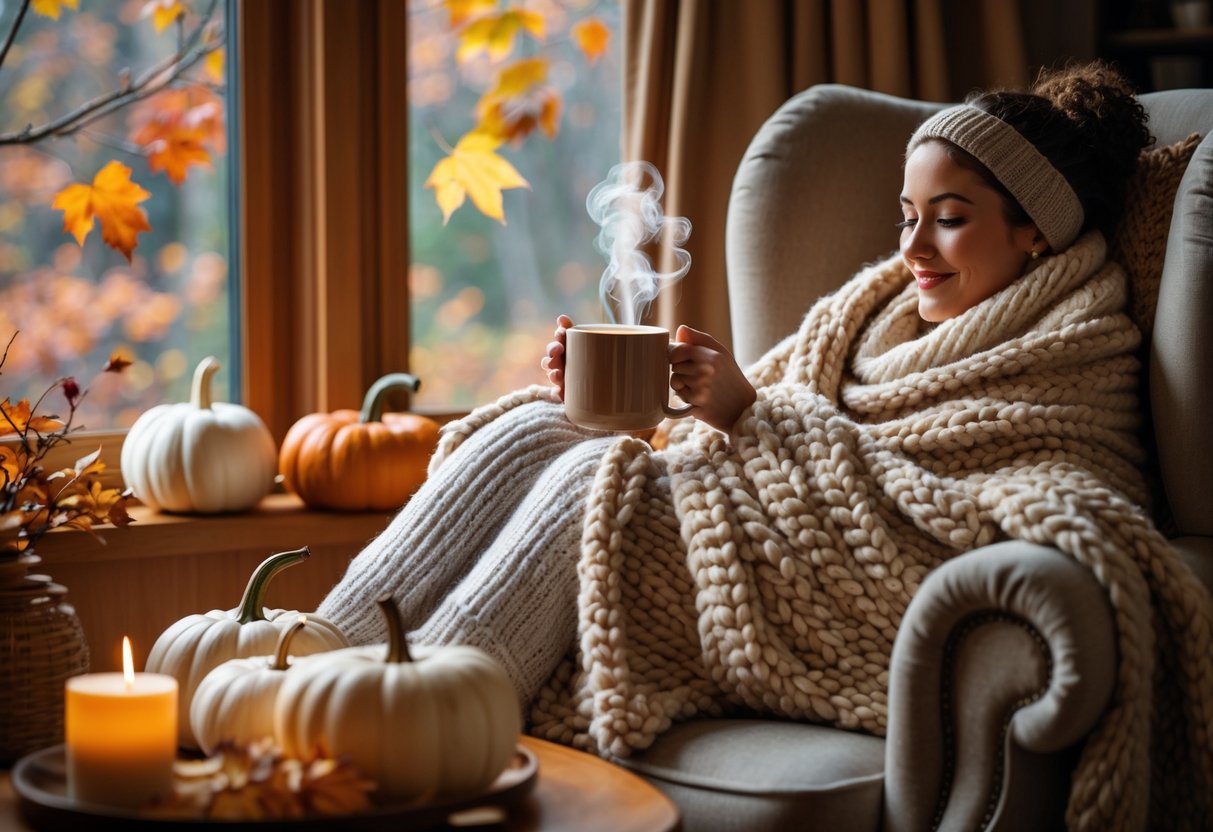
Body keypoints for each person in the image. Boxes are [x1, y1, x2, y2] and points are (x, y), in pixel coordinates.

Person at [316, 62, 1212, 827]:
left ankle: (410, 728)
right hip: (773, 513)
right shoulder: (872, 311)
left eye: (949, 217)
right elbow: (734, 418)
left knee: (591, 480)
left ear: (1035, 232)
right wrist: (624, 398)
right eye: (906, 216)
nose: (914, 248)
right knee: (540, 431)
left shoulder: (1074, 351)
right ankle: (320, 655)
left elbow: (982, 516)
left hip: (846, 580)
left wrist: (749, 414)